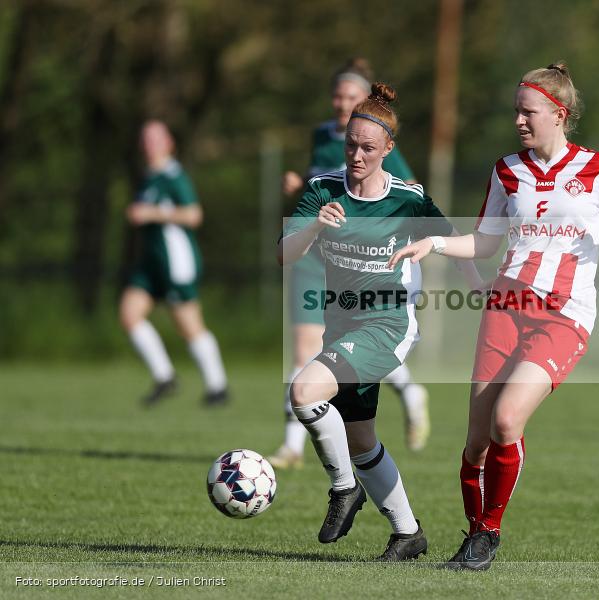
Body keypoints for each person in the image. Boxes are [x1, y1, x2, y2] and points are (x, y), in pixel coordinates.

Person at [388, 62, 599, 570]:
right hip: (505, 307)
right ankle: (472, 539)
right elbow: (486, 241)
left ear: (560, 113)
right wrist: (436, 243)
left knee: (507, 421)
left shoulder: (598, 169)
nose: (519, 121)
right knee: (475, 445)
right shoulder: (507, 169)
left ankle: (489, 532)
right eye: (516, 111)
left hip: (563, 316)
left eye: (527, 111)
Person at [278, 83, 472, 560]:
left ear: (388, 149)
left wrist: (480, 284)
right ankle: (408, 534)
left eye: (368, 147)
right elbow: (285, 255)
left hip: (387, 326)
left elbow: (454, 240)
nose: (357, 155)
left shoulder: (407, 199)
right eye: (350, 144)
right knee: (361, 437)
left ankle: (345, 488)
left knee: (303, 392)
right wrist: (315, 226)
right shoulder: (323, 190)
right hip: (342, 326)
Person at [269, 58, 430, 471]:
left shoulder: (377, 140)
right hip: (315, 255)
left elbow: (410, 192)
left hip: (359, 262)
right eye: (338, 96)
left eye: (351, 97)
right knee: (306, 349)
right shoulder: (322, 135)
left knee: (347, 351)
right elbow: (318, 189)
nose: (343, 104)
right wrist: (295, 188)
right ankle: (291, 446)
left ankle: (409, 392)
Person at [119, 121, 229, 406]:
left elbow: (194, 215)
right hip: (151, 264)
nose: (149, 144)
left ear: (169, 143)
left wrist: (151, 213)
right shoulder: (148, 177)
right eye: (145, 139)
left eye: (155, 139)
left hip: (176, 261)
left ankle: (218, 386)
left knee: (189, 325)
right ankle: (164, 376)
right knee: (129, 314)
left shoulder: (174, 176)